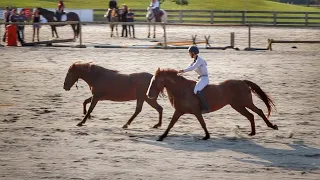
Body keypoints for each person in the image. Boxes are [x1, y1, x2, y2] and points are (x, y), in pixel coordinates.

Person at [177, 46, 210, 114]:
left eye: (189, 53)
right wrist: (181, 72)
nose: (189, 54)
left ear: (193, 53)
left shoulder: (199, 60)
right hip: (201, 78)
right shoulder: (195, 60)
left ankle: (206, 107)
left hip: (204, 78)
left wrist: (183, 70)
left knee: (196, 90)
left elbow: (192, 68)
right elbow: (189, 66)